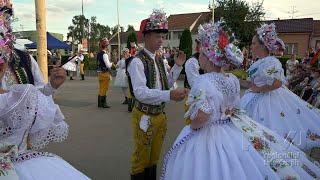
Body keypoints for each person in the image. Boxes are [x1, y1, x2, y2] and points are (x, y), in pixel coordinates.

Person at [161, 19, 320, 180]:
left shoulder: (203, 81)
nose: (199, 57)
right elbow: (232, 104)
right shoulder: (231, 78)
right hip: (231, 128)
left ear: (209, 58)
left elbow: (202, 117)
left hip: (209, 134)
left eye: (201, 53)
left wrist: (192, 125)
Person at [127, 9, 189, 180]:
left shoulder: (159, 59)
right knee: (141, 158)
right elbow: (140, 93)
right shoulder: (137, 62)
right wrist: (169, 95)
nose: (161, 40)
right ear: (146, 36)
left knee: (154, 157)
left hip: (159, 115)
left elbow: (166, 83)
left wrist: (177, 66)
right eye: (157, 36)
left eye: (162, 36)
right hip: (144, 115)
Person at [239, 23, 320, 151]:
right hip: (256, 96)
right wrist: (235, 80)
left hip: (269, 99)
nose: (252, 46)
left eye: (254, 43)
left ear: (263, 46)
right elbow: (252, 83)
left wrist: (258, 89)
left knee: (272, 125)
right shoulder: (259, 62)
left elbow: (277, 83)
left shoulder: (271, 62)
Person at [183, 36, 205, 125]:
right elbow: (195, 85)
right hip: (193, 98)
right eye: (201, 44)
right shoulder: (192, 61)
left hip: (203, 99)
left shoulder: (208, 61)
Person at [96, 38, 115, 108]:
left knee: (101, 88)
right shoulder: (105, 54)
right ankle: (103, 103)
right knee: (104, 88)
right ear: (106, 46)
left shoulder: (99, 54)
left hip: (99, 73)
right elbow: (108, 65)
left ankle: (99, 103)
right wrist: (111, 63)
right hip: (105, 73)